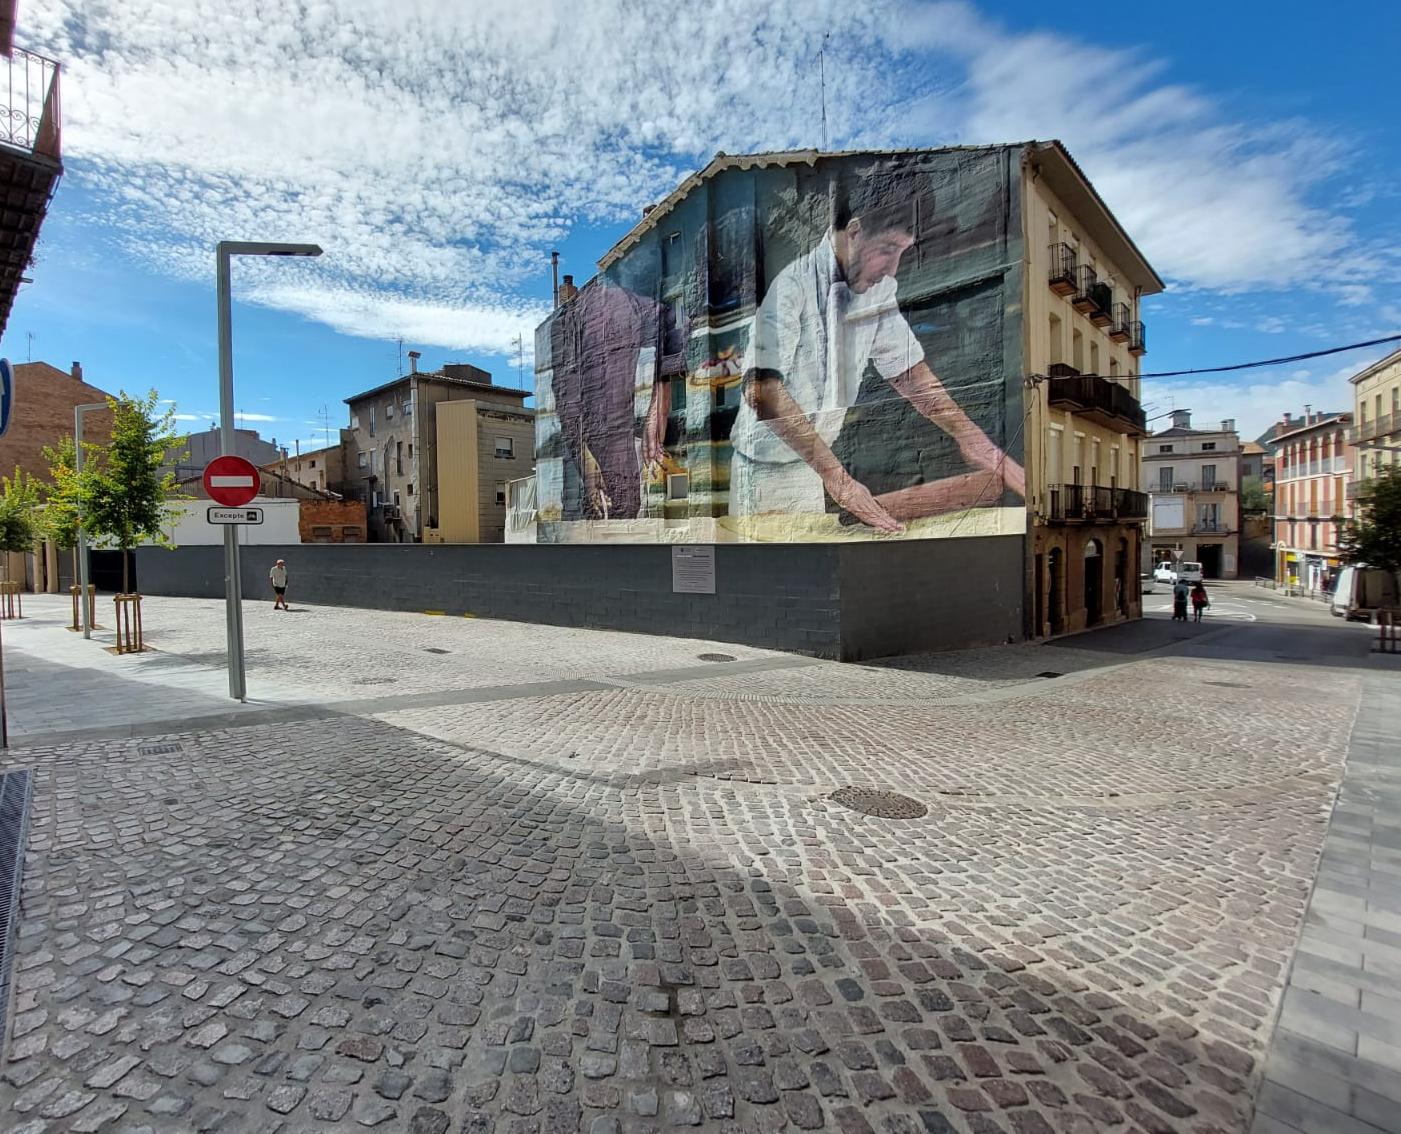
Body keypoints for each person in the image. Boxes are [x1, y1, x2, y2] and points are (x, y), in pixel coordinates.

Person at [730, 177, 1024, 531]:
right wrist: (840, 481)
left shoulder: (879, 290)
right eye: (887, 249)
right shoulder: (792, 286)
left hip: (810, 469)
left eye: (902, 252)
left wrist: (972, 439)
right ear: (853, 232)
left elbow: (909, 373)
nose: (892, 267)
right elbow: (761, 390)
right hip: (760, 475)